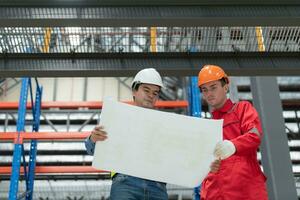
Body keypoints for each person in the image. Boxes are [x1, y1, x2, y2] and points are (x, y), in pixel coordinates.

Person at [85, 68, 168, 200]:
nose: (151, 95)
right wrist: (94, 138)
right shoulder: (117, 117)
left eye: (155, 93)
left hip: (157, 186)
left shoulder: (166, 126)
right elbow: (91, 149)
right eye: (146, 90)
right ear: (134, 91)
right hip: (126, 183)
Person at [198, 65, 268, 200]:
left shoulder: (242, 109)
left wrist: (233, 145)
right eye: (204, 90)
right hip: (215, 191)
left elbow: (254, 135)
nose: (209, 93)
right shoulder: (206, 126)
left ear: (225, 87)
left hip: (244, 189)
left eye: (213, 87)